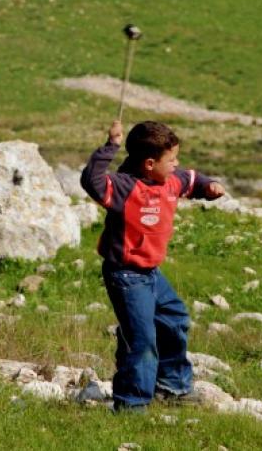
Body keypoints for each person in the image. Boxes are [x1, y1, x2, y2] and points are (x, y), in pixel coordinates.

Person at [80, 120, 225, 412]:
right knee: (142, 339)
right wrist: (110, 146)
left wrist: (208, 186)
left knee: (175, 318)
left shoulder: (171, 180)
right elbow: (91, 181)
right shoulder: (124, 187)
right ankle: (132, 404)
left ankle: (172, 386)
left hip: (151, 273)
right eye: (171, 159)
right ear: (149, 163)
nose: (177, 164)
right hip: (126, 275)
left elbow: (192, 179)